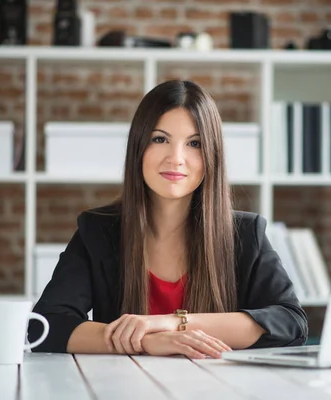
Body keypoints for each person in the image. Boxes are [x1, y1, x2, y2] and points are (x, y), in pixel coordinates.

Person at [28, 79, 308, 359]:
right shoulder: (98, 230)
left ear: (212, 155)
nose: (176, 158)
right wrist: (145, 341)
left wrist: (172, 323)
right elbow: (44, 327)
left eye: (194, 143)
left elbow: (290, 323)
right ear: (139, 147)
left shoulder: (245, 233)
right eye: (160, 139)